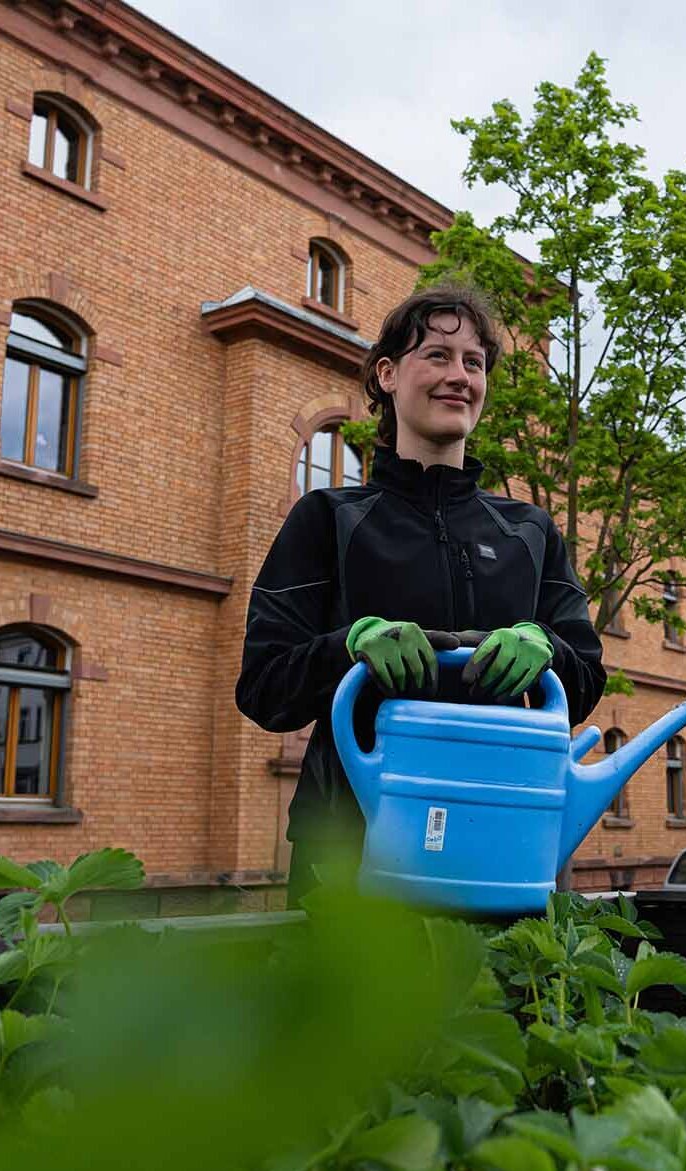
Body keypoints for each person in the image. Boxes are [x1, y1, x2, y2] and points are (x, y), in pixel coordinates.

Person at [235, 284, 607, 905]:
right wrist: (348, 648)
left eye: (473, 362)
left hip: (499, 836)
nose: (458, 376)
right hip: (348, 849)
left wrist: (546, 650)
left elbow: (585, 681)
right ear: (386, 375)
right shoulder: (328, 519)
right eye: (436, 355)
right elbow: (263, 689)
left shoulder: (529, 532)